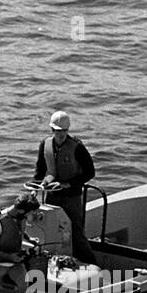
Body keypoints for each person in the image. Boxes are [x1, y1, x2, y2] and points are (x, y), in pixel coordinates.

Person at [34, 109, 97, 264]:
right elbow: (40, 170)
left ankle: (91, 263)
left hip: (72, 197)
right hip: (52, 195)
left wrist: (68, 184)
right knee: (51, 230)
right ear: (52, 130)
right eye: (57, 131)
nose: (61, 134)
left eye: (64, 131)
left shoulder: (77, 147)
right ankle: (55, 263)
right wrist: (38, 187)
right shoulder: (45, 144)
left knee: (76, 232)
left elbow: (90, 172)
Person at [0, 193, 40, 293]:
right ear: (22, 211)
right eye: (31, 212)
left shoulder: (20, 217)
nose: (34, 215)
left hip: (15, 264)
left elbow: (17, 230)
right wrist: (9, 257)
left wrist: (30, 239)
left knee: (25, 287)